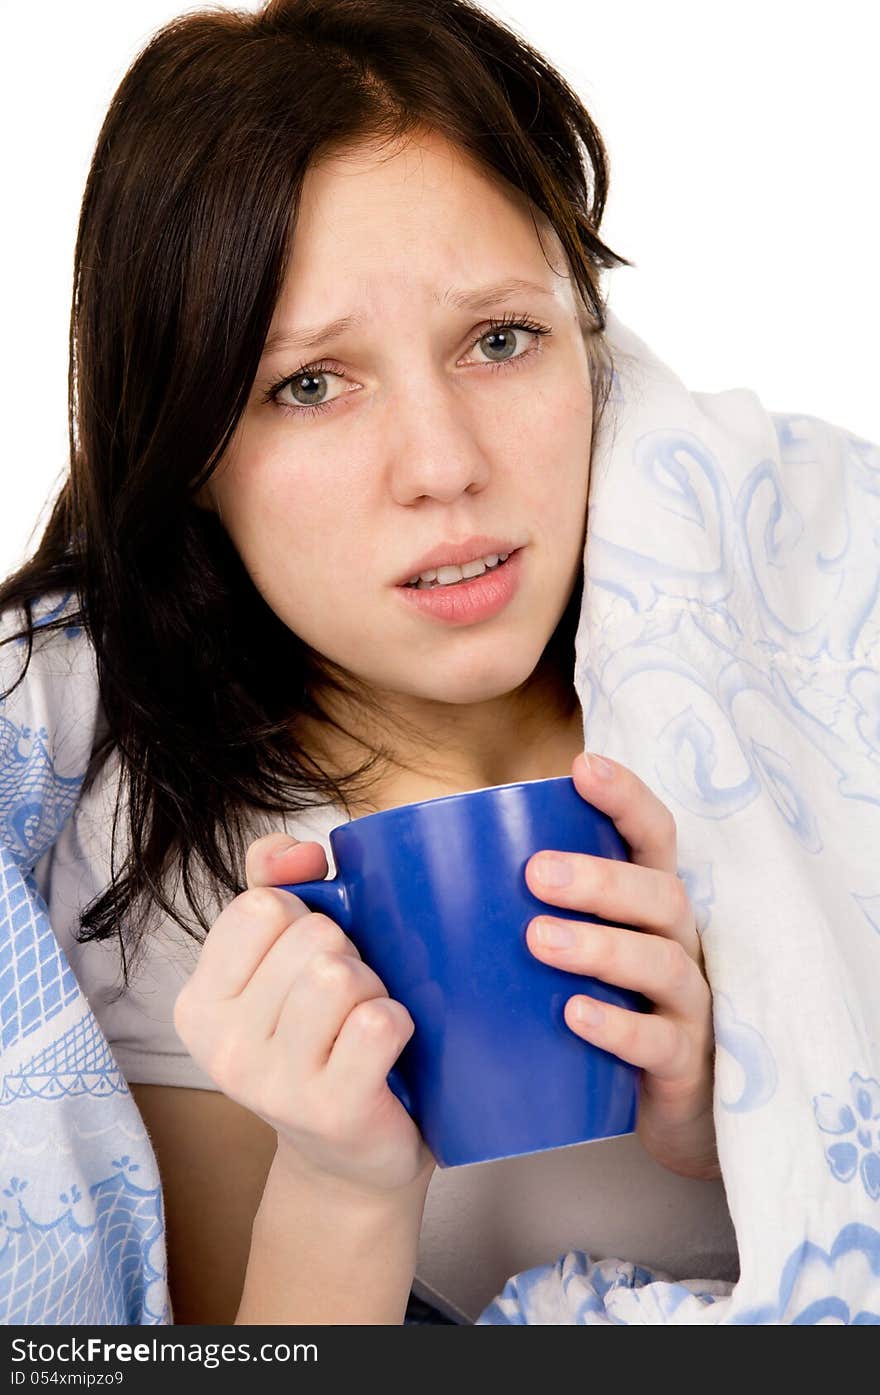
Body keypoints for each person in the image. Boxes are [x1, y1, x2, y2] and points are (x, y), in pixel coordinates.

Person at [3, 0, 874, 1327]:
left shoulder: (791, 662)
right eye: (310, 384)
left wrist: (755, 1099)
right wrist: (341, 1184)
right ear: (186, 445)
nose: (445, 464)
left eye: (500, 339)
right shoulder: (166, 875)